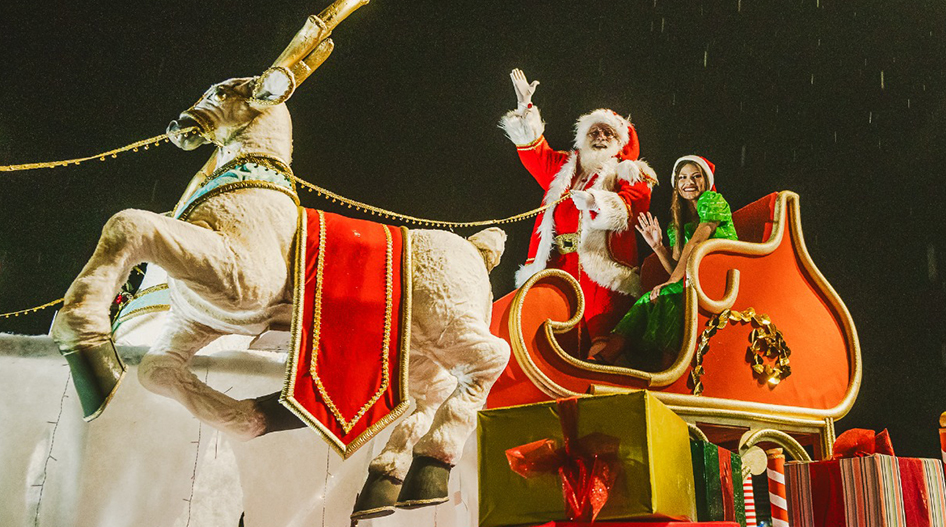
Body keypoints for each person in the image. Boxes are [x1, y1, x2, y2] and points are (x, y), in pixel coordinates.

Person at [500, 68, 657, 344]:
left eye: (608, 132)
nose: (600, 136)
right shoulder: (563, 166)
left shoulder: (629, 170)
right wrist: (525, 106)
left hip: (600, 265)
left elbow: (635, 205)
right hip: (557, 261)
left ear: (619, 141)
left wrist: (597, 202)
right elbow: (534, 153)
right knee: (553, 330)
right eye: (594, 131)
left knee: (602, 334)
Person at [588, 155, 738, 369]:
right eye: (683, 177)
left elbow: (696, 244)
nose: (689, 182)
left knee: (668, 294)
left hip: (722, 273)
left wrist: (672, 282)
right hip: (696, 280)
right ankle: (609, 356)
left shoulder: (711, 200)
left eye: (696, 176)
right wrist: (657, 247)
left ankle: (668, 365)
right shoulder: (677, 223)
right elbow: (676, 268)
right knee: (648, 298)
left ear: (706, 180)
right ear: (676, 184)